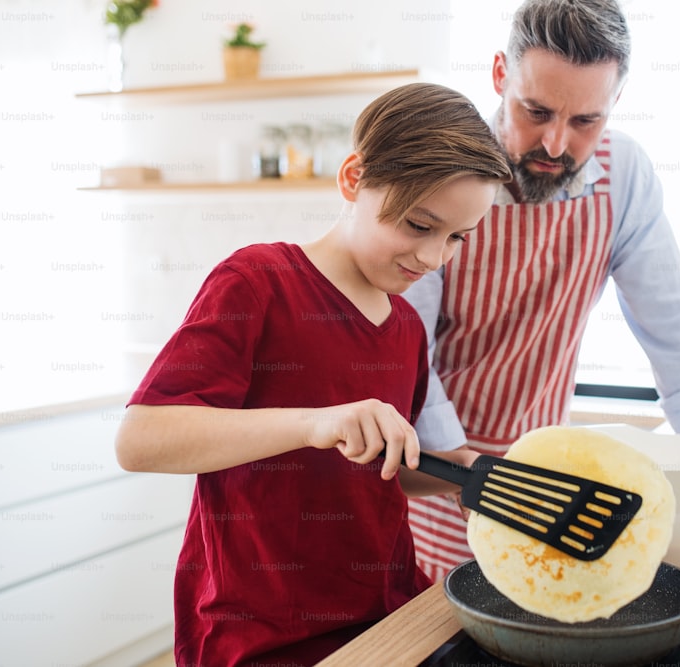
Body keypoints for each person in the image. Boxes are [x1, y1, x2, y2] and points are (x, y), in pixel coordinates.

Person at [404, 0, 680, 581]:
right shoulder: (446, 172)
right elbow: (409, 352)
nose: (555, 144)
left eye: (585, 121)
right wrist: (471, 470)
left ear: (615, 103)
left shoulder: (625, 178)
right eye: (535, 111)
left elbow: (678, 339)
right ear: (499, 75)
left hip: (546, 482)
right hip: (439, 473)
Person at [114, 82, 511, 666]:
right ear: (354, 179)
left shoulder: (405, 327)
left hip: (386, 612)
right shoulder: (257, 282)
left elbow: (384, 470)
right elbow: (140, 441)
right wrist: (312, 423)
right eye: (418, 225)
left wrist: (467, 472)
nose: (434, 258)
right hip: (260, 634)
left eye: (456, 237)